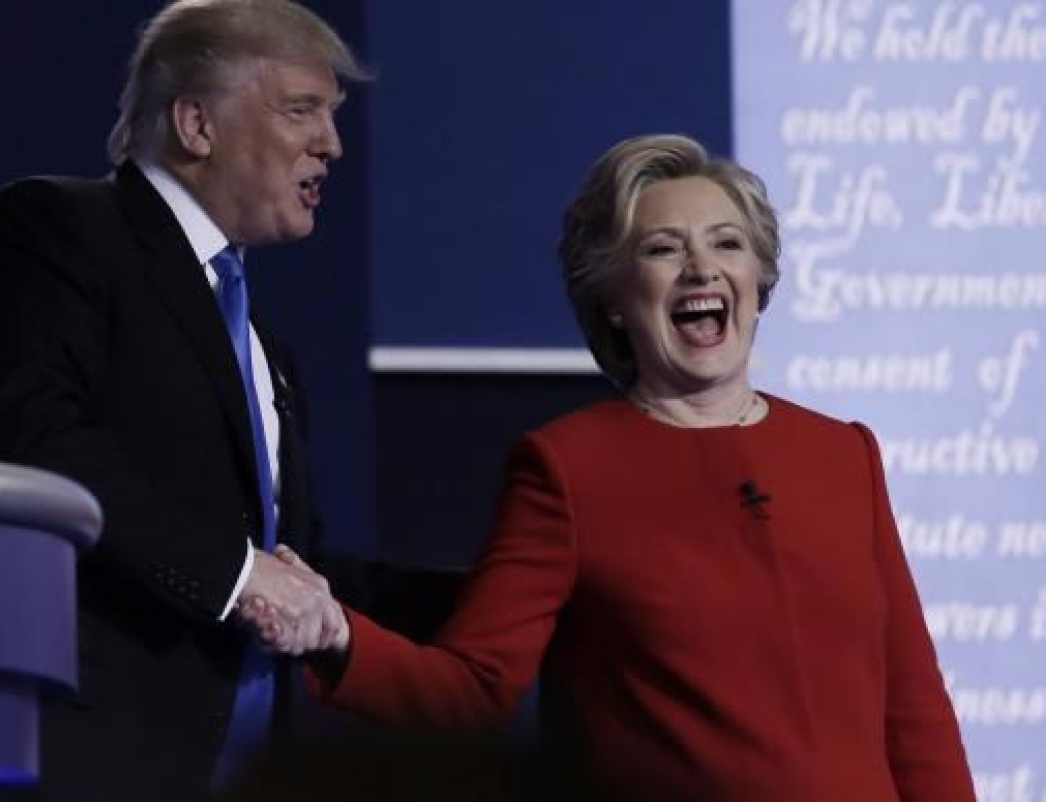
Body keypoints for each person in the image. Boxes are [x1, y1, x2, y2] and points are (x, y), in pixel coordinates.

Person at [259, 134, 977, 801]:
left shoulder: (843, 453)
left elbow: (913, 709)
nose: (702, 267)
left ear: (758, 279)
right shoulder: (568, 468)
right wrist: (336, 635)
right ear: (612, 299)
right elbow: (474, 689)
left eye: (727, 243)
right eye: (664, 249)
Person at [0, 1, 366, 799]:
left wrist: (504, 593)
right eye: (303, 110)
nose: (331, 143)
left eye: (330, 118)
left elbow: (299, 569)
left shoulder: (257, 335)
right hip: (94, 763)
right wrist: (236, 574)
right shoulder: (57, 230)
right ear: (197, 123)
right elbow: (30, 440)